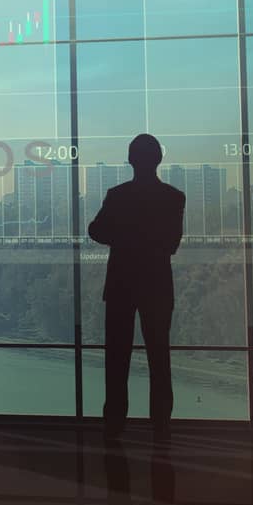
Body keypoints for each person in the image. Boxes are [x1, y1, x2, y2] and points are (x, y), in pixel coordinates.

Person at [88, 134, 185, 444]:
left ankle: (114, 422)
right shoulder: (174, 198)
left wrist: (123, 237)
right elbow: (171, 244)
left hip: (121, 285)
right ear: (159, 159)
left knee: (117, 359)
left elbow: (96, 231)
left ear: (130, 160)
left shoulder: (117, 196)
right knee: (159, 357)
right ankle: (161, 424)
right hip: (157, 285)